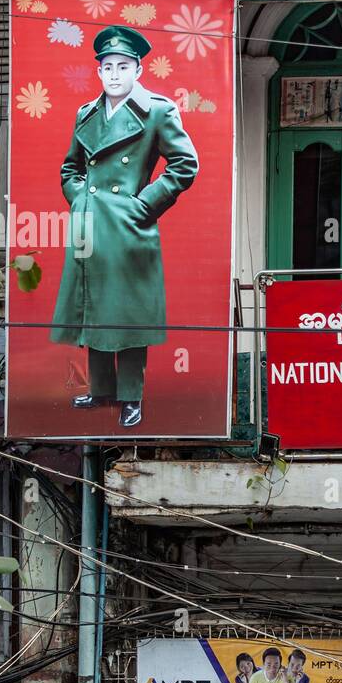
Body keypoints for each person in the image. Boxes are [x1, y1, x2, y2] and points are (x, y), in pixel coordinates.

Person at [51, 25, 199, 430]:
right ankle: (101, 389)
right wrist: (81, 198)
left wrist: (142, 206)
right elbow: (70, 168)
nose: (114, 74)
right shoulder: (87, 113)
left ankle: (131, 396)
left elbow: (185, 165)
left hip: (130, 228)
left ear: (138, 69)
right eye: (107, 67)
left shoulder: (157, 110)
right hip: (91, 226)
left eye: (123, 66)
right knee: (94, 304)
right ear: (99, 72)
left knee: (128, 315)